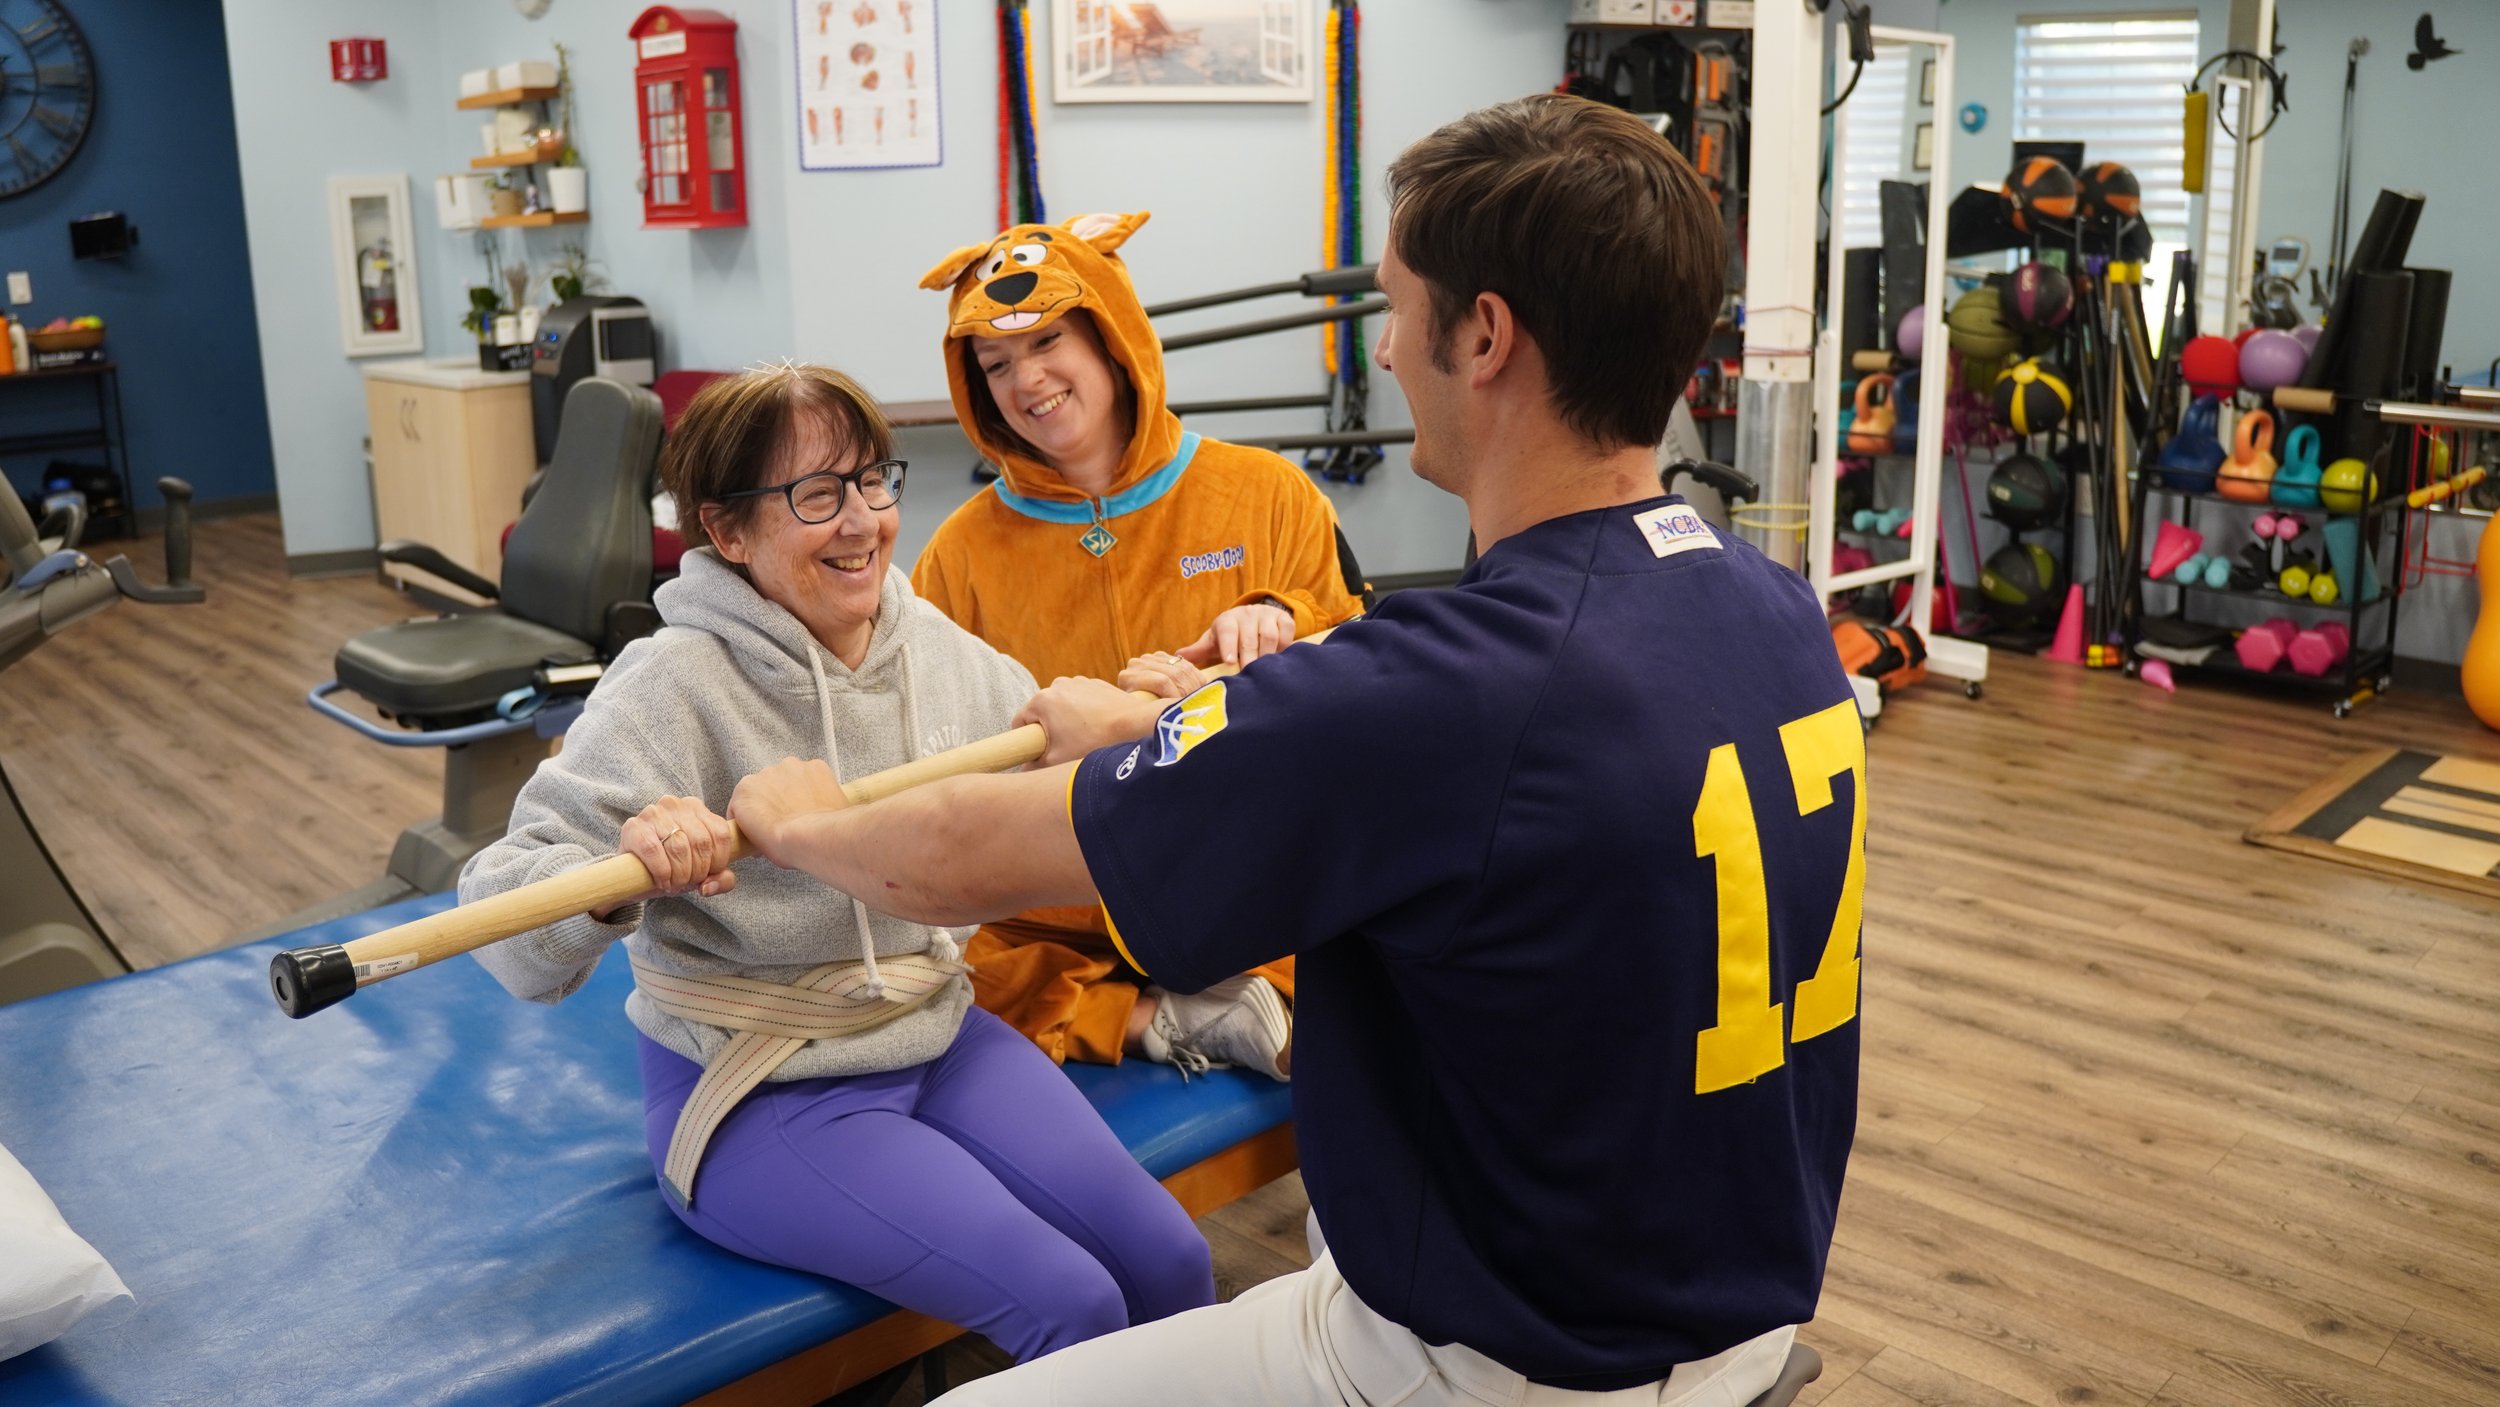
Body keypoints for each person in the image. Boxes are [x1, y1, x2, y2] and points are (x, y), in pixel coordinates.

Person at [721, 96, 1864, 1405]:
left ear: (1482, 336)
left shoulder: (1432, 680)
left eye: (1395, 305)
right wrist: (1152, 725)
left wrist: (801, 823)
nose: (1382, 348)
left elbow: (965, 854)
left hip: (1496, 1359)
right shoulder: (1771, 605)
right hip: (1719, 1301)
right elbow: (1433, 757)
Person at [458, 362, 1213, 1364]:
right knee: (1069, 1303)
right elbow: (506, 918)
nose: (861, 521)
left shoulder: (934, 651)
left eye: (870, 481)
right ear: (726, 532)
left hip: (935, 1034)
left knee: (1173, 1263)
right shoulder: (671, 683)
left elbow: (1060, 790)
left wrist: (1134, 724)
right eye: (816, 495)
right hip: (758, 1088)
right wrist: (623, 876)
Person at [909, 209, 1369, 1082]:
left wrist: (1283, 625)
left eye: (1049, 341)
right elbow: (930, 738)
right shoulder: (958, 554)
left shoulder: (1267, 493)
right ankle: (1166, 1019)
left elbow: (1358, 664)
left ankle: (1249, 1003)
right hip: (1053, 896)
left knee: (1383, 941)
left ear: (1113, 339)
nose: (1027, 380)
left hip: (1240, 870)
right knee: (921, 971)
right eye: (996, 364)